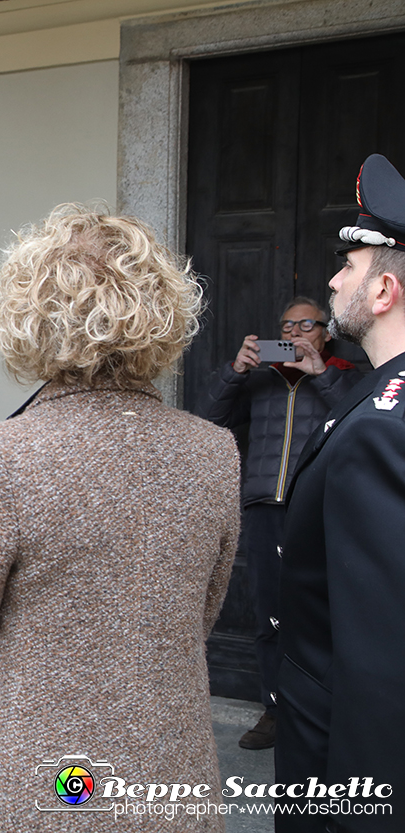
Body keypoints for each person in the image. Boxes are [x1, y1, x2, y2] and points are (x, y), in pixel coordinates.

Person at [0, 205, 240, 832]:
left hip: (25, 772)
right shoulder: (214, 451)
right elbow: (200, 612)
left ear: (30, 316)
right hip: (164, 771)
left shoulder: (0, 454)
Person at [274, 153, 405, 831]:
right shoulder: (377, 398)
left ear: (383, 291)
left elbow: (379, 651)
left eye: (348, 267)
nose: (332, 279)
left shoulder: (383, 426)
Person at [197, 298, 359, 750]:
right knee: (270, 615)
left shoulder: (347, 375)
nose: (294, 333)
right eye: (287, 326)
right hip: (265, 507)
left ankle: (329, 711)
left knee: (325, 613)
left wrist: (320, 375)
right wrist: (236, 369)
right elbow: (209, 420)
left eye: (306, 324)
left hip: (321, 509)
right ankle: (275, 710)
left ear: (325, 334)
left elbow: (357, 420)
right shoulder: (261, 379)